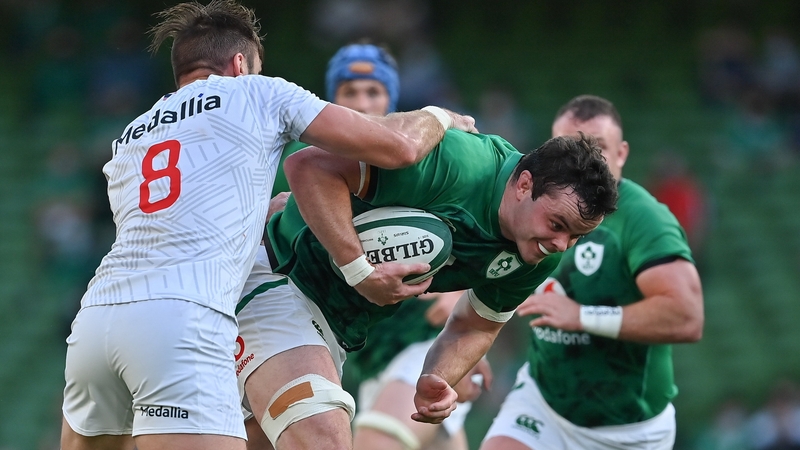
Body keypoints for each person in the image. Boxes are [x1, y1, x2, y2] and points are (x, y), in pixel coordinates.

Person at [59, 1, 477, 449]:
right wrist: (442, 117)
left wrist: (267, 208)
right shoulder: (257, 92)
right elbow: (397, 147)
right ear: (241, 65)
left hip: (95, 324)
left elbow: (174, 220)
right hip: (182, 323)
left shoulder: (130, 136)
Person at [235, 124, 618, 450]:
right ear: (523, 184)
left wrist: (436, 376)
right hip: (279, 272)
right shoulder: (456, 165)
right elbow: (308, 165)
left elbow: (478, 324)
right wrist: (358, 270)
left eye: (575, 237)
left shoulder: (538, 253)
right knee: (324, 435)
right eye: (557, 224)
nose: (560, 245)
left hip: (335, 324)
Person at [264, 41, 474, 450]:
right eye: (350, 93)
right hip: (334, 338)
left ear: (391, 99)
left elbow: (479, 234)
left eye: (373, 92)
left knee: (379, 440)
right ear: (331, 99)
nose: (362, 102)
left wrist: (461, 301)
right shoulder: (297, 161)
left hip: (415, 340)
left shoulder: (424, 154)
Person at [480, 95, 705, 450]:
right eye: (569, 149)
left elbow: (686, 317)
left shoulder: (645, 219)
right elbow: (485, 269)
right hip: (542, 404)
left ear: (621, 154)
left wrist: (584, 317)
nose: (583, 163)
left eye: (598, 148)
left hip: (628, 430)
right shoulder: (528, 204)